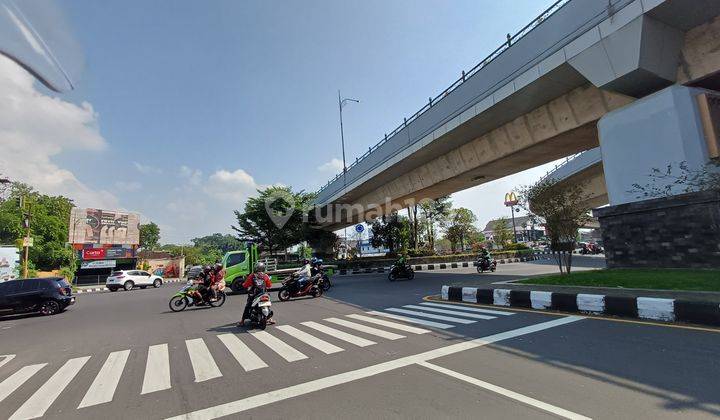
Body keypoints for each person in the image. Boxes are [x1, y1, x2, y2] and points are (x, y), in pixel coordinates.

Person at [239, 262, 274, 326]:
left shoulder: (252, 276)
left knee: (248, 306)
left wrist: (244, 285)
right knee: (268, 304)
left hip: (254, 294)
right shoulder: (265, 276)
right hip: (264, 294)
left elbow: (245, 285)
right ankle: (270, 319)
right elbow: (269, 285)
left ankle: (242, 321)